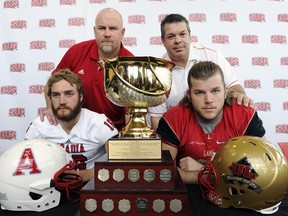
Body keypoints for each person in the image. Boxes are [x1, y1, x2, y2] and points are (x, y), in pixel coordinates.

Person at [156, 61, 266, 184]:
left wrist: (203, 169)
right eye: (200, 93)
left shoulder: (244, 115)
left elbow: (264, 168)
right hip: (192, 192)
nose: (208, 100)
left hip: (237, 193)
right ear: (189, 96)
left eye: (215, 91)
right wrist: (224, 175)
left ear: (225, 92)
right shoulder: (174, 118)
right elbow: (163, 173)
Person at [148, 13, 254, 130]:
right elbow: (157, 119)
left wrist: (239, 97)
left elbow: (236, 89)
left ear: (190, 36)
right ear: (162, 40)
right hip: (179, 134)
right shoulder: (156, 72)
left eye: (182, 34)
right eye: (171, 36)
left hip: (218, 129)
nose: (178, 40)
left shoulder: (211, 54)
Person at [42, 7, 133, 131]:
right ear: (95, 31)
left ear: (122, 33)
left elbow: (131, 113)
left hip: (113, 134)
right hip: (76, 131)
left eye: (112, 28)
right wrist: (50, 108)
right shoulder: (77, 51)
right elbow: (52, 84)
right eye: (102, 28)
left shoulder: (131, 63)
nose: (107, 34)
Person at [26, 69, 118, 183]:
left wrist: (90, 174)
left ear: (80, 97)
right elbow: (24, 166)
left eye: (69, 94)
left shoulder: (98, 123)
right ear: (49, 99)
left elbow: (118, 160)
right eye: (56, 95)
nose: (62, 101)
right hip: (51, 191)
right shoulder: (39, 125)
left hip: (91, 187)